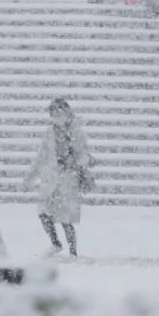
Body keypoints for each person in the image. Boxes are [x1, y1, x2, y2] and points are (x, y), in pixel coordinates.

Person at [24, 98, 93, 257]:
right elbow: (40, 157)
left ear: (67, 112)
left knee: (66, 218)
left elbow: (85, 155)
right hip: (51, 180)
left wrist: (74, 164)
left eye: (59, 112)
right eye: (53, 112)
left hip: (68, 180)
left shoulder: (76, 131)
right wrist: (28, 179)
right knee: (43, 212)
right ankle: (55, 244)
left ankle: (73, 252)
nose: (56, 115)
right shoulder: (49, 133)